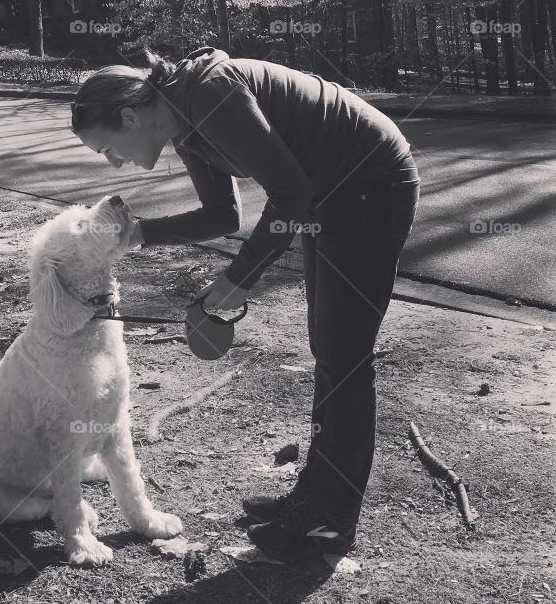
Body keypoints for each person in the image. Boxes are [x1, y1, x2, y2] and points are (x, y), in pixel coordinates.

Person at [70, 46, 420, 561]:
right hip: (332, 196)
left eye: (108, 149)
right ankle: (314, 497)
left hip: (370, 184)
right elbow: (223, 214)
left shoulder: (209, 95)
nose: (114, 162)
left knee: (344, 355)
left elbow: (290, 198)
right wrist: (138, 234)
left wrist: (238, 279)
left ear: (128, 116)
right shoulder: (181, 120)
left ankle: (328, 522)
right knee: (329, 346)